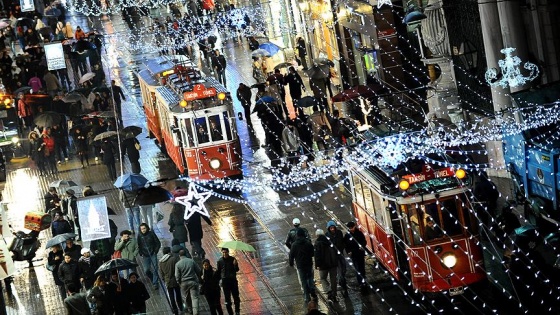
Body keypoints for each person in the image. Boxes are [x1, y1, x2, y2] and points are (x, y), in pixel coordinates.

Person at [289, 228, 318, 304]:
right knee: (310, 278)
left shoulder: (294, 245)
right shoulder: (308, 243)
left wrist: (291, 263)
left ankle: (306, 296)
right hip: (308, 263)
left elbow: (291, 255)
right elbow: (312, 253)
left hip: (300, 265)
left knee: (303, 280)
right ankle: (312, 292)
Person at [314, 229, 338, 302]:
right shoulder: (329, 241)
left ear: (317, 235)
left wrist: (317, 265)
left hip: (323, 265)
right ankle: (334, 295)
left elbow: (317, 255)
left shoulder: (317, 243)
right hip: (333, 263)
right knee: (333, 279)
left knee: (323, 278)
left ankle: (329, 290)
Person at [175, 250, 202, 315]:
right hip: (193, 281)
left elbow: (177, 276)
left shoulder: (178, 264)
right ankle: (196, 312)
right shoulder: (191, 261)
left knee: (186, 298)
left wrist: (178, 282)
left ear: (179, 255)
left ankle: (190, 310)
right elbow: (198, 270)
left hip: (183, 283)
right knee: (194, 297)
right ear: (186, 254)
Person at [325, 220, 348, 297]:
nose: (332, 229)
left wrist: (342, 247)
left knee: (344, 269)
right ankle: (343, 285)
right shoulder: (327, 235)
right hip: (334, 256)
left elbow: (342, 241)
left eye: (333, 227)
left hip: (340, 254)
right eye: (331, 228)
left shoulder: (339, 233)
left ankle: (342, 280)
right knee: (340, 271)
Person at [159, 247, 183, 315]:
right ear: (169, 252)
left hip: (168, 281)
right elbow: (178, 269)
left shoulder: (161, 262)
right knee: (178, 295)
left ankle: (175, 311)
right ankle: (181, 307)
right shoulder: (173, 259)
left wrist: (164, 279)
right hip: (175, 280)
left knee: (171, 296)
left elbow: (161, 273)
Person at [344, 221, 367, 291]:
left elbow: (364, 241)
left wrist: (362, 246)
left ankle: (363, 281)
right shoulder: (347, 235)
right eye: (350, 228)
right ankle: (361, 282)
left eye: (352, 227)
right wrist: (349, 252)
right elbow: (346, 245)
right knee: (358, 268)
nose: (351, 229)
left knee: (362, 268)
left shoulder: (359, 233)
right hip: (354, 255)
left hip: (360, 253)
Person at [216, 248, 240, 315]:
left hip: (233, 280)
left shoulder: (232, 259)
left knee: (236, 297)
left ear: (228, 252)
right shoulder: (220, 261)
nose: (225, 254)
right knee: (227, 299)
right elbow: (218, 272)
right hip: (225, 281)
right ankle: (230, 312)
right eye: (223, 252)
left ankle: (237, 311)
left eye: (226, 252)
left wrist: (235, 264)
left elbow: (237, 270)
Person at [137, 223, 161, 290]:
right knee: (146, 270)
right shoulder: (139, 235)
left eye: (144, 228)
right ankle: (153, 278)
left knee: (155, 268)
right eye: (142, 229)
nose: (143, 230)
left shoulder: (151, 234)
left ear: (147, 228)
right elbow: (138, 245)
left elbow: (158, 243)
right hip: (145, 255)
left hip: (153, 253)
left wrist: (155, 251)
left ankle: (155, 282)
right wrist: (141, 253)